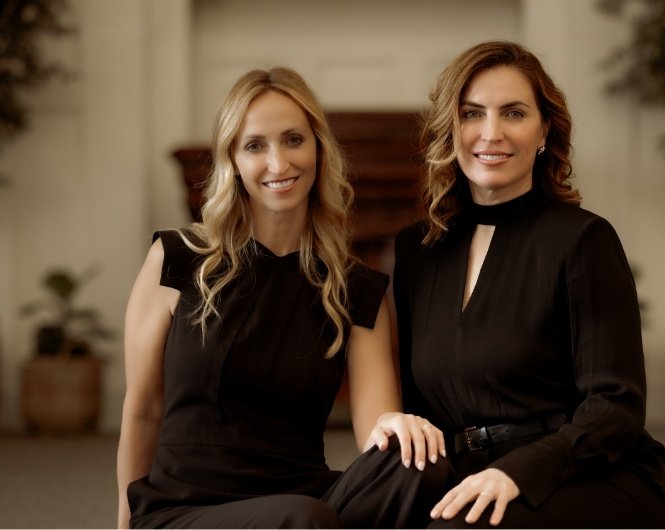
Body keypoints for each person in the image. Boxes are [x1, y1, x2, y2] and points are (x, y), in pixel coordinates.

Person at [116, 67, 450, 529]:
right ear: (232, 159)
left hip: (306, 500)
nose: (279, 163)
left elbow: (376, 426)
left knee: (422, 467)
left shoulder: (354, 287)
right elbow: (143, 408)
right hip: (188, 509)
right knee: (303, 517)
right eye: (256, 145)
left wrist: (400, 427)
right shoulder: (176, 259)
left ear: (318, 148)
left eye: (293, 140)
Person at [392, 40, 665, 528]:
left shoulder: (583, 239)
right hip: (469, 474)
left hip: (585, 471)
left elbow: (616, 406)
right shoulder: (418, 251)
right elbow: (419, 409)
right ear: (450, 128)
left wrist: (518, 472)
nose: (491, 132)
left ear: (544, 129)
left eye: (514, 113)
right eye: (472, 113)